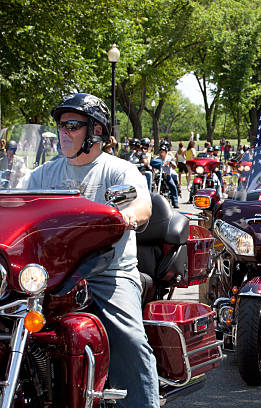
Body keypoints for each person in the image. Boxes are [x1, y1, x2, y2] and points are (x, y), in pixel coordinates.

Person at [18, 93, 159, 407]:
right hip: (49, 277)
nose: (63, 132)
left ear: (96, 131)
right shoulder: (44, 174)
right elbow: (16, 199)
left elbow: (142, 204)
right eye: (61, 125)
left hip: (108, 273)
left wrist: (126, 216)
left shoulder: (117, 170)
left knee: (131, 340)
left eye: (72, 125)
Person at [155, 142, 180, 208]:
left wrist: (172, 164)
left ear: (166, 152)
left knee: (172, 185)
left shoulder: (169, 158)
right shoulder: (157, 158)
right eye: (160, 151)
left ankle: (175, 201)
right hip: (159, 175)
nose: (161, 153)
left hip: (167, 174)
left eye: (163, 151)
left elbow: (174, 165)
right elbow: (153, 165)